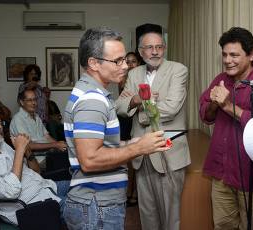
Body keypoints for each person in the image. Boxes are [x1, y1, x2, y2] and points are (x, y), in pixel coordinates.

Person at [63, 26, 171, 230]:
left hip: (98, 203)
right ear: (93, 63)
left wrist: (131, 142)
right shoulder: (92, 99)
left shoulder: (93, 93)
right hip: (97, 205)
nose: (125, 66)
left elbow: (100, 145)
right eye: (118, 61)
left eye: (124, 59)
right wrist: (138, 149)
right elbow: (90, 160)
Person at [199, 27, 253, 230]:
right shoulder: (220, 79)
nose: (227, 60)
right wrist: (215, 104)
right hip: (221, 173)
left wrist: (227, 105)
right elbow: (206, 116)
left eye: (234, 55)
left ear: (251, 55)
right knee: (222, 225)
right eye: (224, 54)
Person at [116, 29, 190, 230]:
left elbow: (172, 107)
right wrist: (135, 100)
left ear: (164, 49)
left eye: (159, 47)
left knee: (170, 215)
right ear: (141, 51)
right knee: (147, 213)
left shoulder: (178, 70)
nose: (155, 52)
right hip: (140, 151)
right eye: (149, 47)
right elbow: (119, 107)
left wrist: (140, 111)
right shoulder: (133, 74)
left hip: (168, 151)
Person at [0, 106, 69, 226]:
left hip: (47, 187)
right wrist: (19, 150)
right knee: (86, 205)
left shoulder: (2, 145)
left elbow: (36, 172)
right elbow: (11, 191)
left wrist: (27, 151)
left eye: (0, 123)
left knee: (87, 185)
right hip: (32, 207)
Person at [10, 85, 68, 174]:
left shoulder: (36, 117)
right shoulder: (18, 119)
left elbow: (47, 136)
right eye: (30, 100)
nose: (34, 103)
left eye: (35, 99)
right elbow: (28, 145)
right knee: (67, 165)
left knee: (71, 156)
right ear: (21, 102)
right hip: (37, 160)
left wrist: (61, 145)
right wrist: (54, 145)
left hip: (48, 155)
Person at [117, 51, 140, 206]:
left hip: (138, 121)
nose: (131, 64)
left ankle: (135, 193)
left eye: (134, 61)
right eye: (128, 61)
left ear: (138, 63)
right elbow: (124, 103)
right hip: (125, 121)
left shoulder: (143, 79)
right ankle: (127, 192)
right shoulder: (122, 80)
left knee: (137, 160)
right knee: (127, 160)